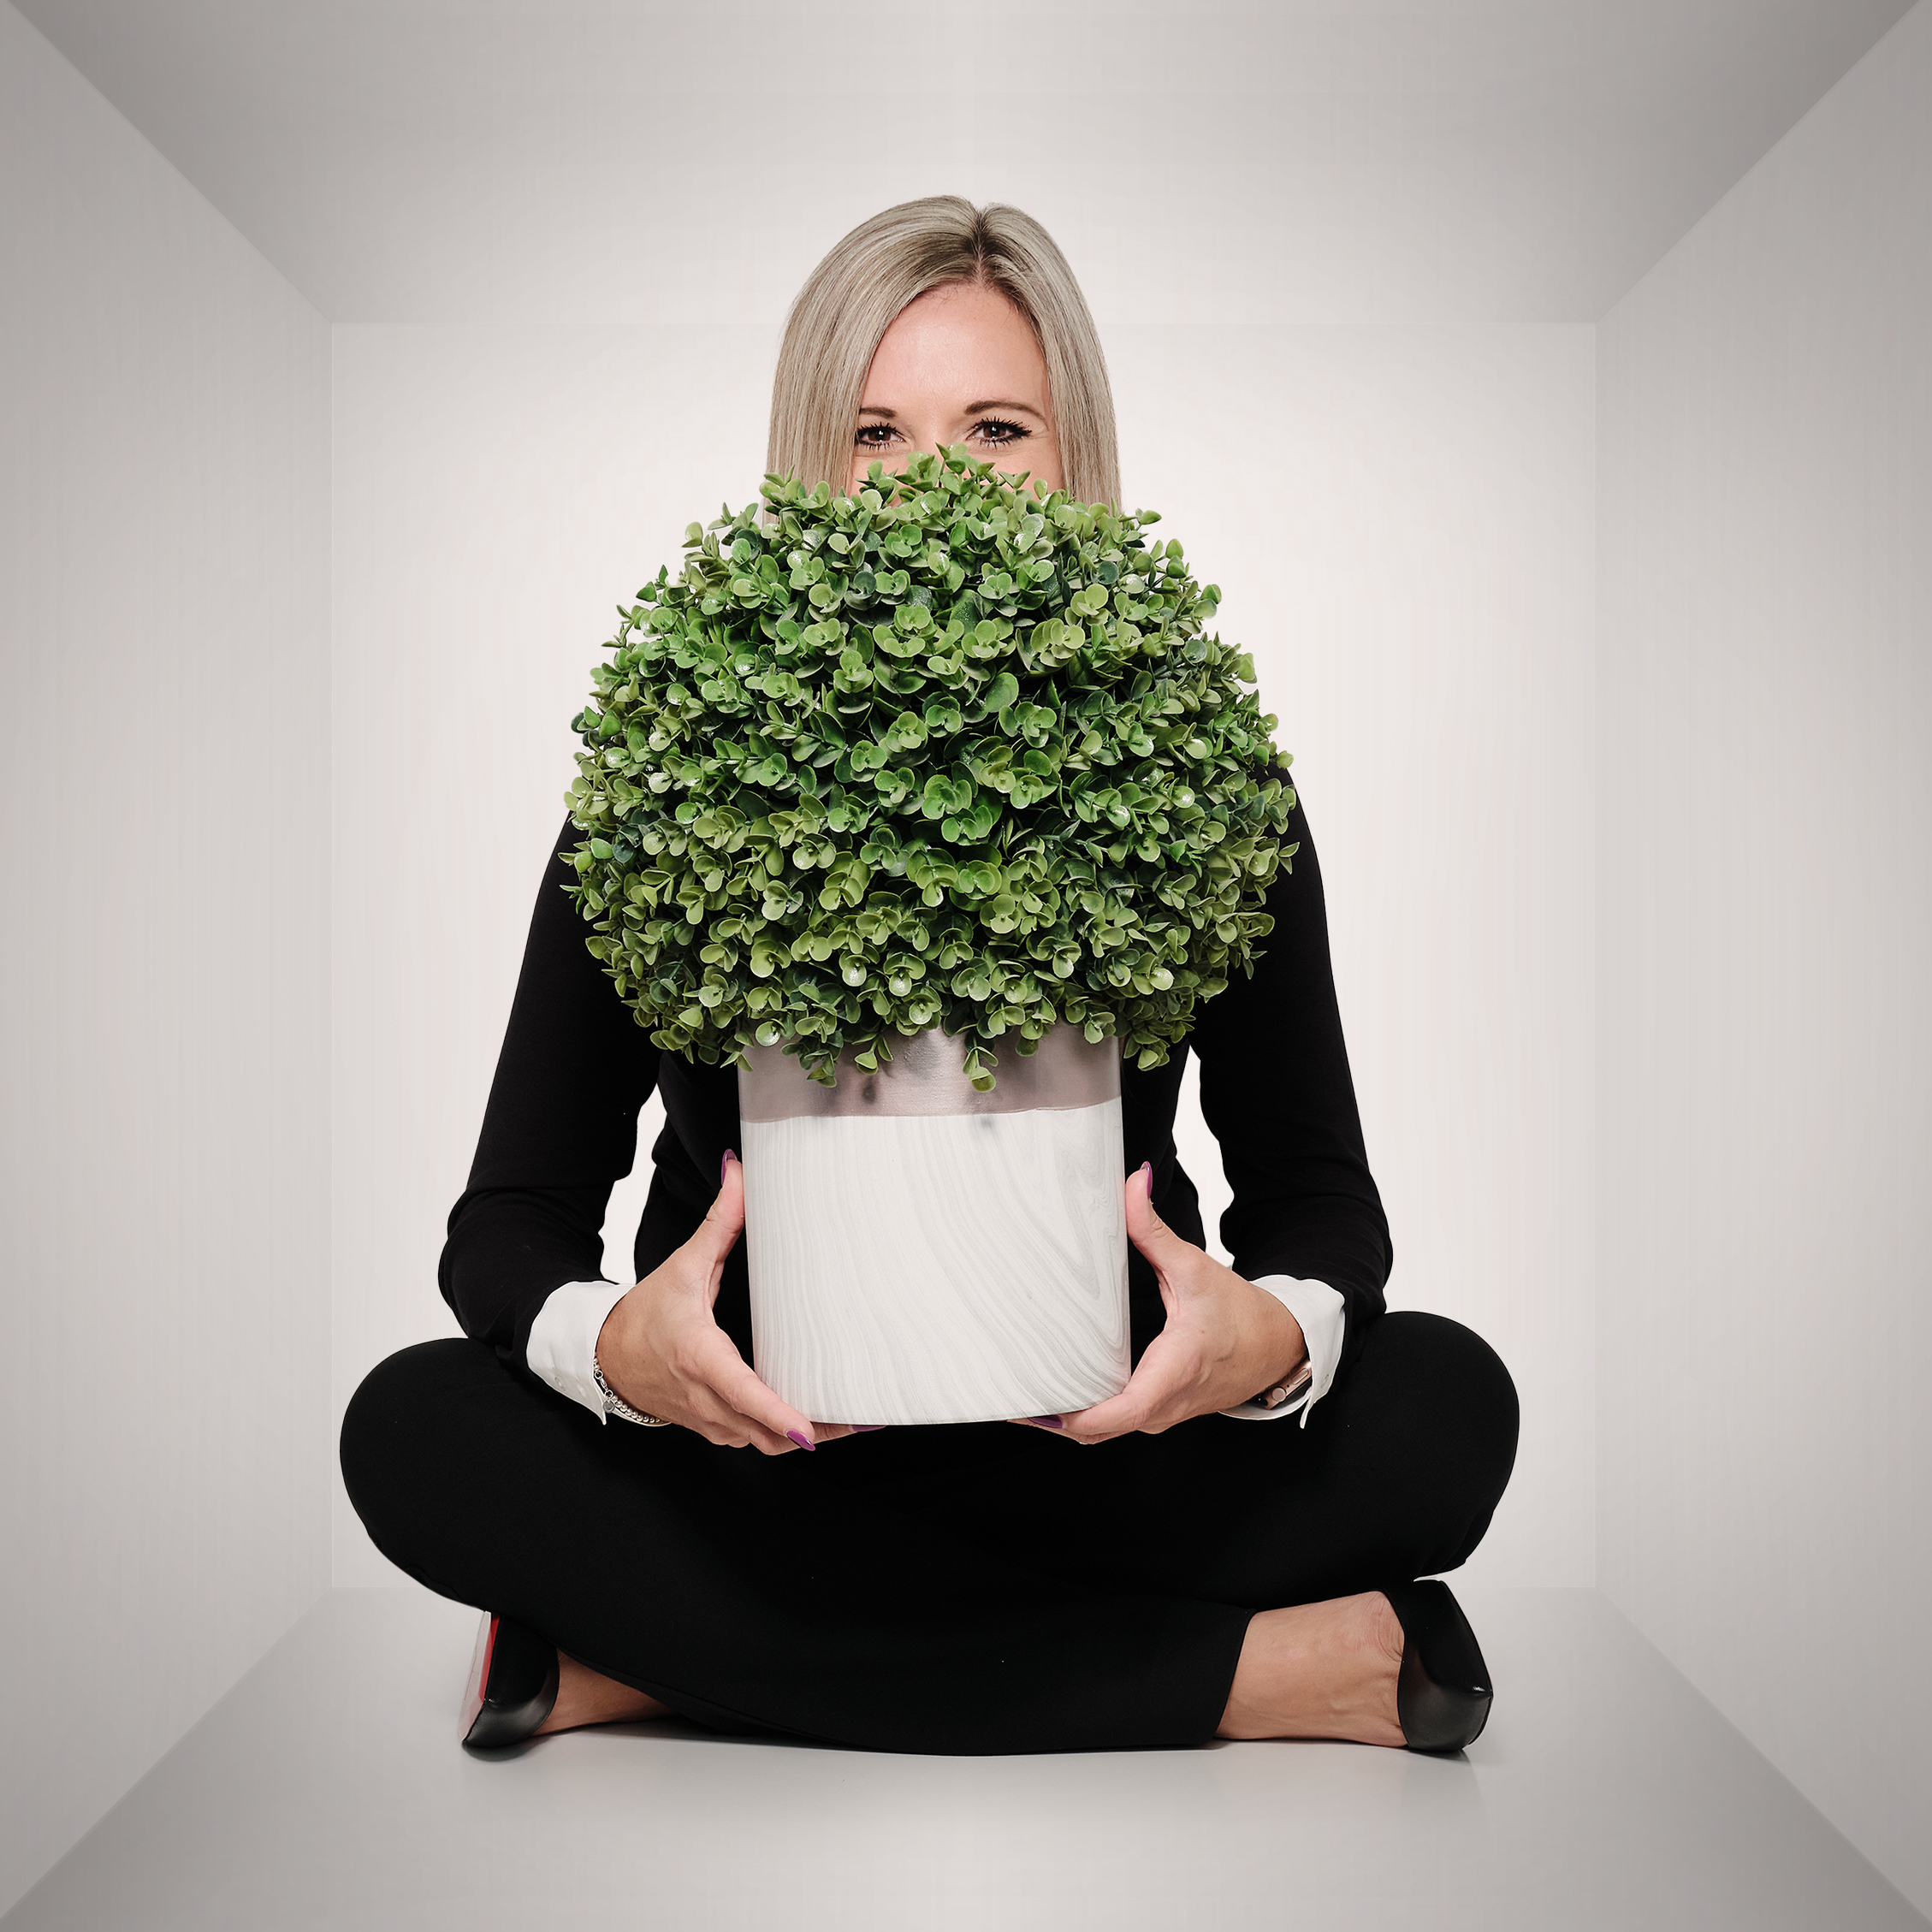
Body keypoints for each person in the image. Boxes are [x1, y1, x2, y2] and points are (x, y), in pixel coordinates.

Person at [341, 196, 1519, 1757]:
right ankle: (1272, 1673)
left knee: (1444, 1402)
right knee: (411, 1427)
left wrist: (1267, 1336)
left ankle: (654, 1658)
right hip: (751, 1452)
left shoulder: (1205, 776)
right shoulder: (664, 778)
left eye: (996, 429)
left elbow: (1317, 1196)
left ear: (1071, 454)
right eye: (873, 432)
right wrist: (619, 1348)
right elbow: (510, 1218)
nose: (931, 484)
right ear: (809, 463)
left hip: (1109, 1446)